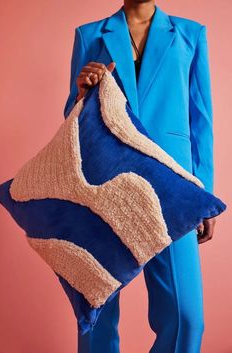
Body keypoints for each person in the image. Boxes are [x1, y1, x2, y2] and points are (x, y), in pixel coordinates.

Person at [64, 1, 216, 352]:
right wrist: (82, 93)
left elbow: (201, 120)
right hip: (106, 183)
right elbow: (70, 120)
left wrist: (204, 193)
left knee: (187, 316)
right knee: (95, 312)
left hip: (173, 186)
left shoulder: (190, 35)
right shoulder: (89, 35)